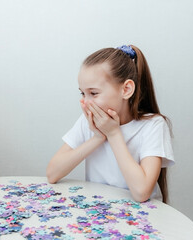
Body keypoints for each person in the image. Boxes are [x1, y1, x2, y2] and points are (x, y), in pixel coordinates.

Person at [46, 45, 174, 203]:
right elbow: (52, 173)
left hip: (144, 218)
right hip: (103, 216)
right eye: (82, 93)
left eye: (93, 93)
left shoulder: (153, 125)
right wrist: (98, 138)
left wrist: (113, 134)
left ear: (126, 89)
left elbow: (141, 192)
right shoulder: (87, 121)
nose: (85, 102)